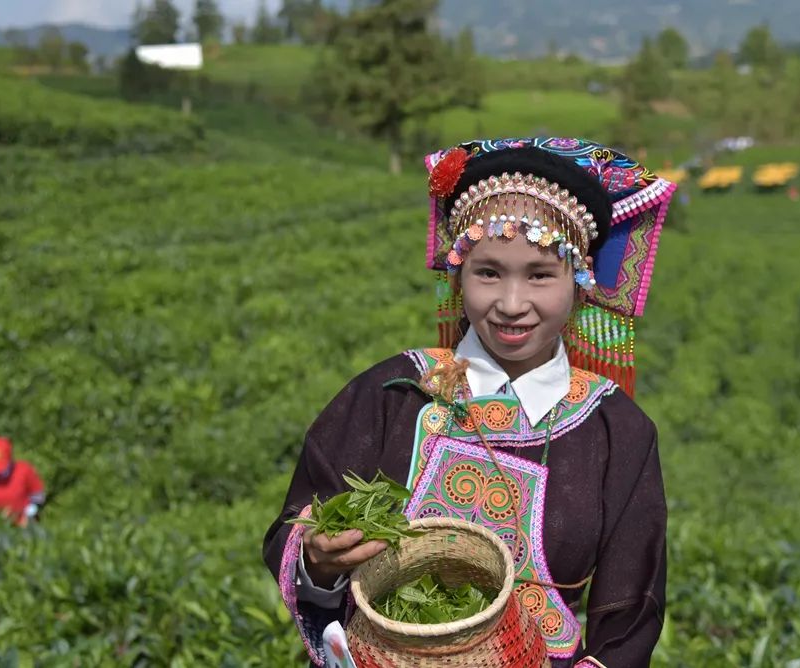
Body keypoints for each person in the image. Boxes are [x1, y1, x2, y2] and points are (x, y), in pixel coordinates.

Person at [264, 137, 676, 668]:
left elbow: (630, 611)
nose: (510, 304)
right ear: (459, 275)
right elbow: (296, 533)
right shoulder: (393, 396)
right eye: (488, 272)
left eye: (540, 275)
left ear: (580, 284)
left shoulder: (617, 431)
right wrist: (318, 561)